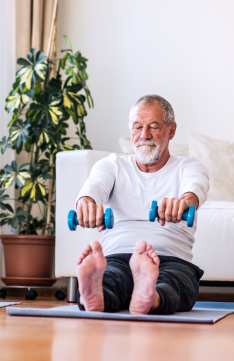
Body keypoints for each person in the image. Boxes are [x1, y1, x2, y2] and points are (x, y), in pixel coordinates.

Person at [75, 95, 209, 314]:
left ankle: (150, 295)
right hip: (118, 256)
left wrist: (183, 203)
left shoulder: (188, 166)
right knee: (111, 278)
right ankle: (96, 294)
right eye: (138, 127)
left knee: (174, 283)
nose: (144, 136)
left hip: (171, 259)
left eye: (154, 127)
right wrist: (86, 204)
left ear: (171, 130)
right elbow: (93, 188)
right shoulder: (112, 165)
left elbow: (195, 189)